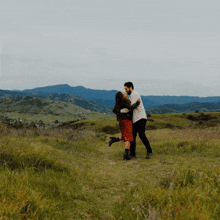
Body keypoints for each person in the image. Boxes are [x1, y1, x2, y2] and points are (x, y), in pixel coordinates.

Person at [123, 82, 153, 159]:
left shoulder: (135, 94)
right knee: (133, 136)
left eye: (126, 89)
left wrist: (121, 111)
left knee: (141, 135)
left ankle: (149, 151)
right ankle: (133, 154)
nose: (126, 90)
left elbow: (130, 107)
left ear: (130, 88)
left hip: (140, 118)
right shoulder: (131, 96)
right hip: (135, 119)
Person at [109, 91, 141, 160]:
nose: (125, 93)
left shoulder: (119, 103)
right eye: (123, 93)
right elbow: (131, 107)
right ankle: (126, 154)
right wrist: (138, 102)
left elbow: (115, 110)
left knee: (126, 135)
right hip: (126, 121)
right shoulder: (124, 102)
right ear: (122, 96)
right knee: (128, 138)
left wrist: (121, 112)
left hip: (122, 122)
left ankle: (114, 140)